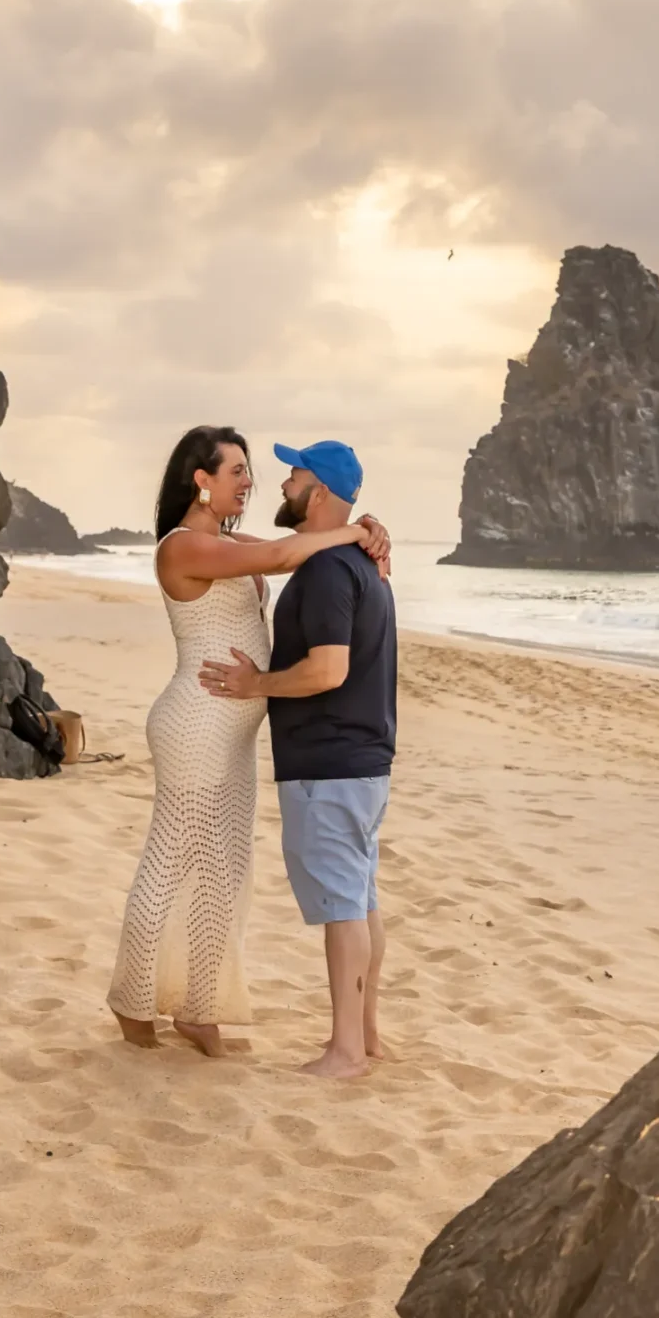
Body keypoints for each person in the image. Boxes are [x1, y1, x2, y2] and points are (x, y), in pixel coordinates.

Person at [109, 426, 388, 1058]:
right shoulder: (182, 547)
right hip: (195, 724)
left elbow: (299, 547)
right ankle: (132, 1001)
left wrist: (369, 527)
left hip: (232, 734)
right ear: (201, 480)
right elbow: (288, 556)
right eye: (236, 470)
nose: (249, 481)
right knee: (171, 860)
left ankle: (199, 1011)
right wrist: (354, 531)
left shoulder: (229, 542)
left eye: (248, 470)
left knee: (224, 870)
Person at [199, 440, 398, 1080]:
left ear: (318, 494)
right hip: (361, 762)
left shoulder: (328, 571)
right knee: (360, 900)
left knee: (344, 907)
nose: (283, 483)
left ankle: (345, 1052)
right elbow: (266, 550)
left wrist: (256, 684)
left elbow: (327, 670)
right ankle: (366, 1038)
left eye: (294, 475)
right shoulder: (358, 562)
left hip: (329, 764)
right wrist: (364, 527)